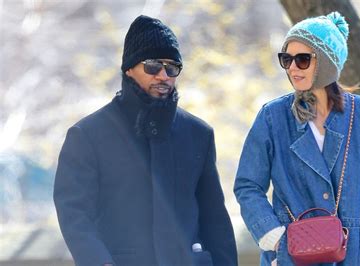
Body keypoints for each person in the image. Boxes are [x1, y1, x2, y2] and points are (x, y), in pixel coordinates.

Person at [54, 15, 237, 266]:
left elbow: (215, 220)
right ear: (129, 68)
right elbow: (73, 213)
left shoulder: (198, 134)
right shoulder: (87, 135)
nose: (163, 75)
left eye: (172, 67)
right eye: (152, 66)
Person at [234, 11, 360, 265]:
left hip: (351, 255)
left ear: (328, 62)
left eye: (303, 59)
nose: (293, 68)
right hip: (291, 256)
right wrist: (276, 239)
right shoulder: (272, 117)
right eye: (286, 59)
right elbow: (248, 185)